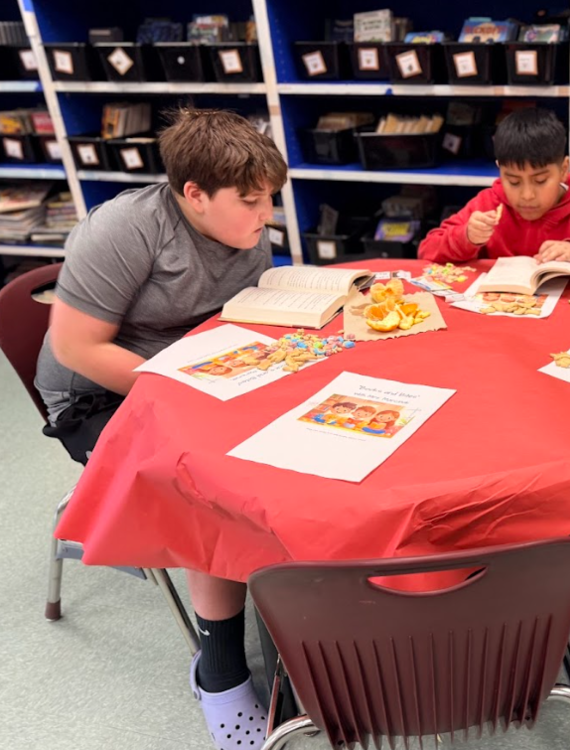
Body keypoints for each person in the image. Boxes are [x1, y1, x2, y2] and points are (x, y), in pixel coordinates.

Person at [34, 108, 288, 748]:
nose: (266, 216)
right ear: (194, 194)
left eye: (270, 200)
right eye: (252, 201)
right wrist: (189, 390)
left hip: (199, 372)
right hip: (98, 395)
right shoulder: (125, 230)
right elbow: (75, 346)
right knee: (205, 480)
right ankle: (220, 668)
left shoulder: (242, 222)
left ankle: (296, 597)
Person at [417, 107, 570, 275]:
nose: (527, 195)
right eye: (513, 181)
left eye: (540, 181)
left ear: (564, 170)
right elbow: (427, 250)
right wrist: (467, 237)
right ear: (499, 171)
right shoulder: (489, 204)